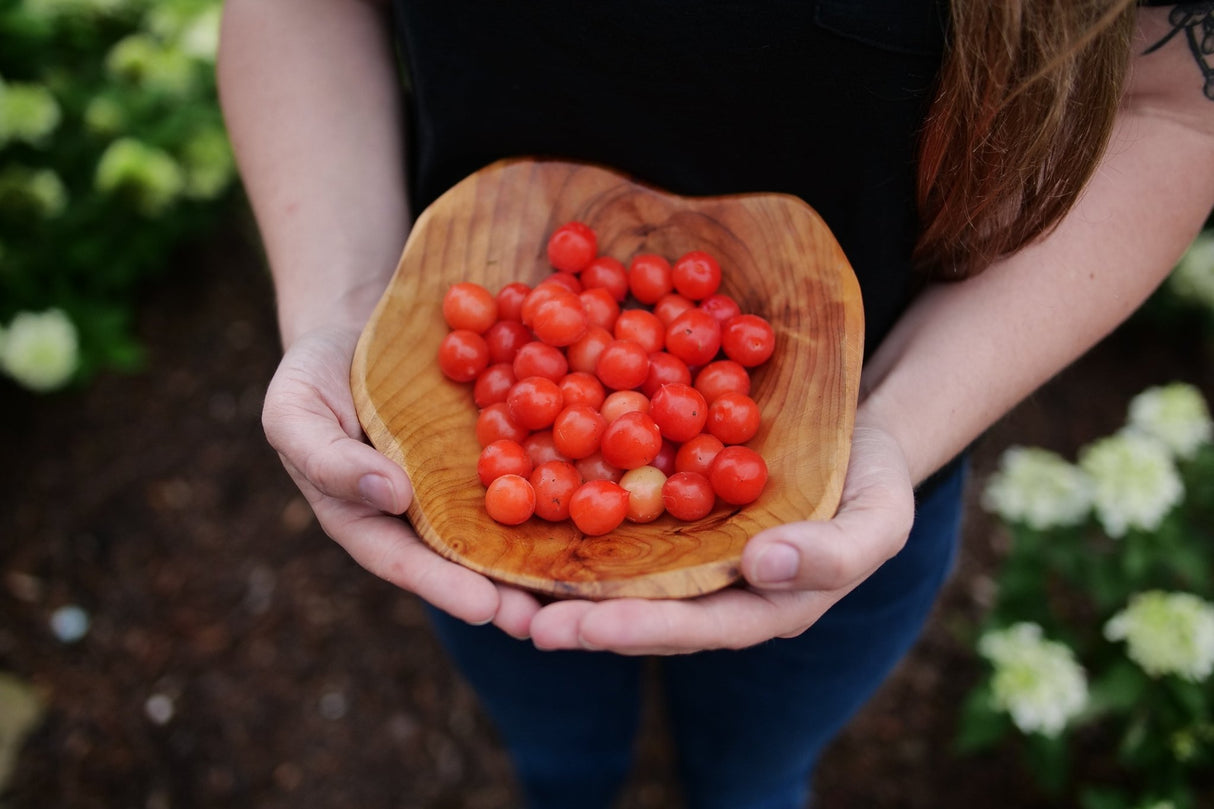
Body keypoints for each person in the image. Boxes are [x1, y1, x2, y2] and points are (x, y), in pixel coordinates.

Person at [216, 2, 1214, 807]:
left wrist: (895, 426)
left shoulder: (694, 412)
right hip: (456, 457)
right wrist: (345, 300)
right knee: (555, 753)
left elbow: (1171, 101)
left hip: (841, 472)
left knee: (755, 772)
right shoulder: (538, 381)